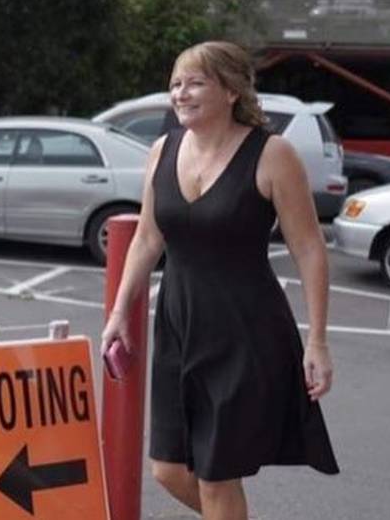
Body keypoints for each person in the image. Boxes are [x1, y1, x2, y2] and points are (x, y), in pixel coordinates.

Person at [102, 41, 338, 520]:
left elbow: (309, 248)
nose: (180, 94)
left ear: (231, 90)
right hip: (177, 327)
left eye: (194, 83)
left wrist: (318, 341)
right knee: (168, 469)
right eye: (174, 84)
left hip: (244, 332)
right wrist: (120, 312)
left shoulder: (272, 154)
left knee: (215, 474)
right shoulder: (161, 151)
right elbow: (147, 238)